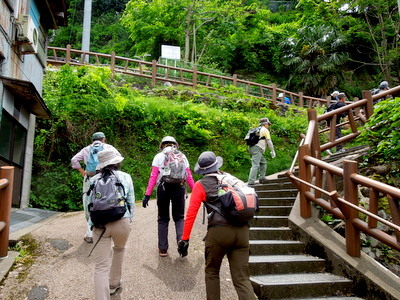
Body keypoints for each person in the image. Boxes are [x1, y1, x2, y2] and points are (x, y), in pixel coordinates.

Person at [178, 151, 256, 300]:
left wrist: (185, 239)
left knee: (212, 272)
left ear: (202, 170)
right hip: (242, 231)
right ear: (216, 165)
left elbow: (191, 214)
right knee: (242, 279)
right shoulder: (232, 180)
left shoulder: (201, 184)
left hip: (219, 233)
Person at [85, 149, 134, 299]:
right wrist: (128, 220)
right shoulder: (125, 177)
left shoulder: (93, 180)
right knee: (119, 250)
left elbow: (88, 207)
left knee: (101, 266)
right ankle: (113, 284)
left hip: (100, 225)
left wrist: (92, 223)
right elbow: (131, 203)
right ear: (117, 162)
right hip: (121, 221)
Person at [142, 136, 195, 257]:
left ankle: (163, 249)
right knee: (179, 218)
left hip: (163, 189)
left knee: (163, 218)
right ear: (175, 144)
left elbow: (153, 176)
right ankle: (182, 243)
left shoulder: (159, 156)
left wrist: (147, 194)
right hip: (179, 188)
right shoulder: (182, 156)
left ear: (162, 145)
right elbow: (189, 175)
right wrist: (195, 190)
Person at [71, 132, 121, 243]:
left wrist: (83, 172)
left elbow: (74, 160)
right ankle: (107, 230)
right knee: (107, 202)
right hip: (105, 178)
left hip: (89, 179)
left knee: (88, 203)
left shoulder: (86, 149)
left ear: (93, 140)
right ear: (103, 139)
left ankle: (89, 234)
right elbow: (118, 159)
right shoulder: (108, 147)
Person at [247, 117, 276, 185]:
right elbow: (269, 141)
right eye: (268, 124)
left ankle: (262, 177)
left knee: (263, 162)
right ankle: (251, 182)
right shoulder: (264, 130)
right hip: (257, 148)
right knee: (255, 165)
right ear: (265, 124)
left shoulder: (256, 129)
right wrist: (272, 151)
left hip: (252, 148)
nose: (268, 125)